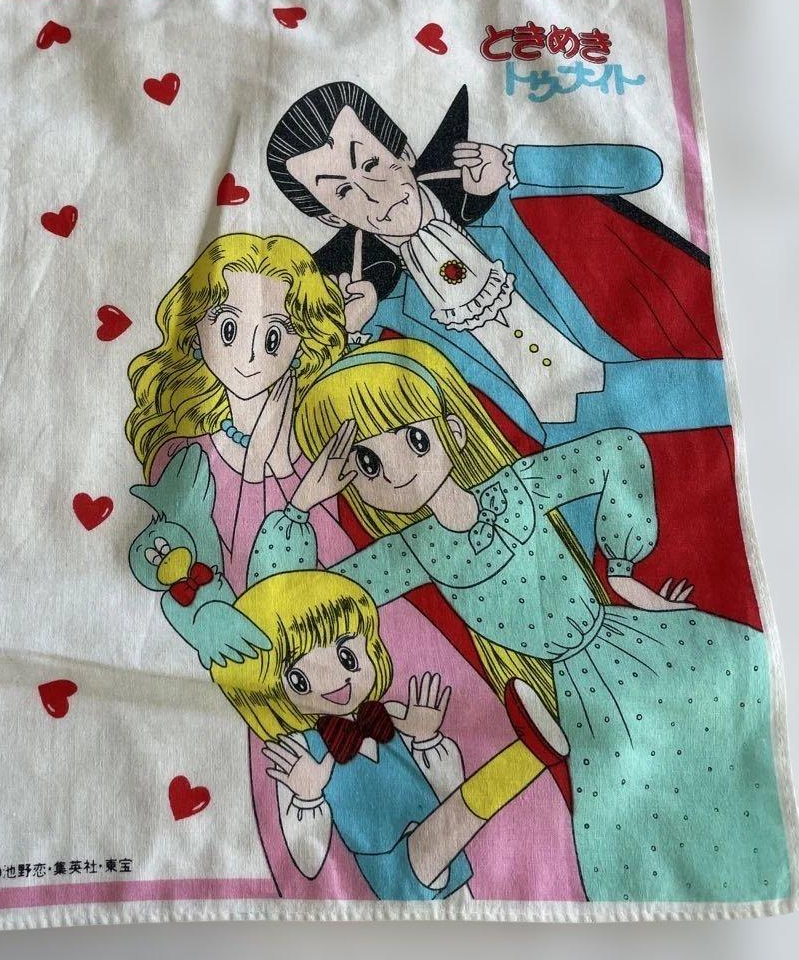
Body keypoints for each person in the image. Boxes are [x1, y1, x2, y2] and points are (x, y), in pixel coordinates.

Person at [247, 338, 791, 902]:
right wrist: (301, 505)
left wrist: (623, 567)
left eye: (414, 439)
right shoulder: (414, 550)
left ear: (453, 431)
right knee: (641, 810)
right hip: (574, 695)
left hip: (629, 638)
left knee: (726, 710)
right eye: (368, 463)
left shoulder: (520, 485)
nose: (399, 471)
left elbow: (617, 449)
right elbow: (288, 607)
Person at [125, 235, 584, 900]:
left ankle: (534, 870)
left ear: (300, 340)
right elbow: (191, 578)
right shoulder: (193, 458)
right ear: (195, 332)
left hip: (378, 621)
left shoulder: (317, 421)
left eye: (274, 335)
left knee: (449, 735)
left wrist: (361, 325)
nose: (251, 354)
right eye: (229, 329)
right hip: (289, 660)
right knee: (355, 830)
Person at [266, 82, 730, 551]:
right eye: (343, 192)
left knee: (739, 403)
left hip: (626, 381)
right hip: (552, 442)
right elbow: (305, 404)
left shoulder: (491, 193)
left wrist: (515, 165)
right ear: (331, 218)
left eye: (371, 165)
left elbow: (647, 169)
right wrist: (346, 334)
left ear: (402, 151)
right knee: (589, 571)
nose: (374, 195)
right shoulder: (377, 298)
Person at [210, 569, 570, 901]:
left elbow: (448, 786)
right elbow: (308, 861)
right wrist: (307, 796)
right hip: (390, 864)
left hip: (444, 848)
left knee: (461, 883)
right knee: (456, 822)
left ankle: (532, 753)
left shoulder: (391, 715)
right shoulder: (301, 754)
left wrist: (426, 739)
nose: (336, 680)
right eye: (300, 680)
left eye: (347, 657)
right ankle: (530, 755)